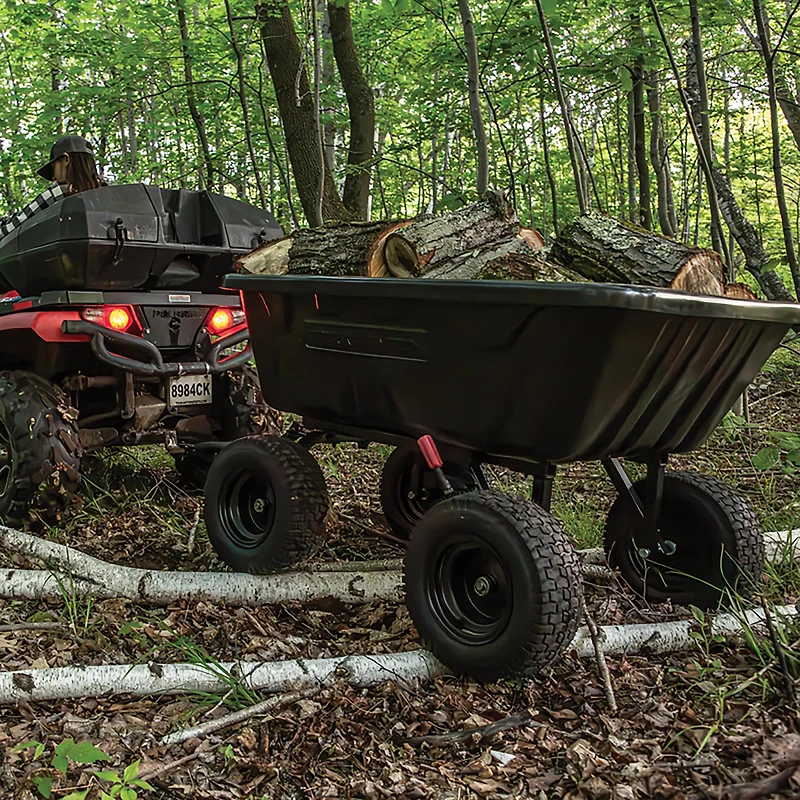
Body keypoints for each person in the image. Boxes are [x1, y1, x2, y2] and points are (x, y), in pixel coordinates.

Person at [0, 135, 106, 241]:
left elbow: (11, 227)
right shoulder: (108, 194)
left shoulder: (60, 191)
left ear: (66, 159)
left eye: (53, 168)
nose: (54, 178)